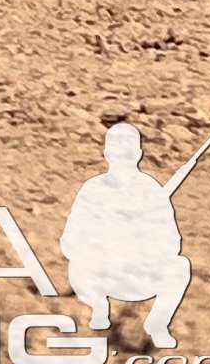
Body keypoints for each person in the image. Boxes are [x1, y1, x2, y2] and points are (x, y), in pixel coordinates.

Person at [60, 122, 195, 349]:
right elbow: (70, 240)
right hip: (100, 274)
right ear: (107, 153)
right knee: (78, 266)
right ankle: (99, 309)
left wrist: (143, 237)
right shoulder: (93, 188)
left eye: (128, 151)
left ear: (138, 154)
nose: (122, 157)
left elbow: (172, 243)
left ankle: (157, 324)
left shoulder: (151, 190)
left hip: (138, 272)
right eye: (117, 151)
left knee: (180, 267)